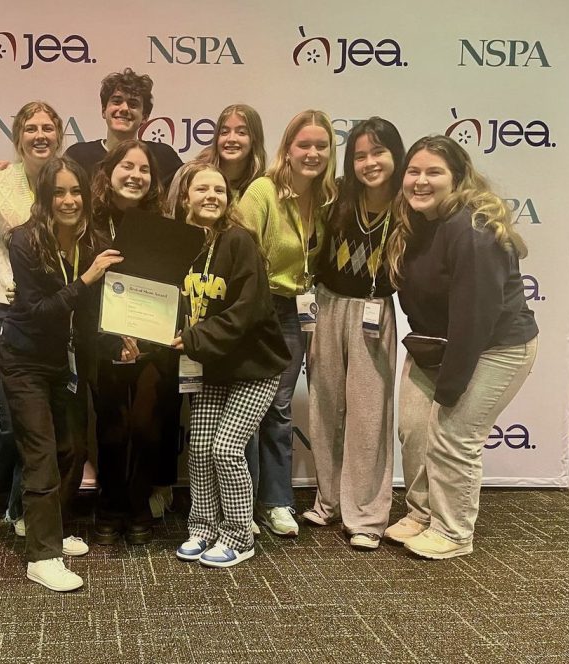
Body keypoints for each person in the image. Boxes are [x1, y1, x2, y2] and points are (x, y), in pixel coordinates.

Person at [383, 135, 538, 559]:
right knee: (414, 431)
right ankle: (421, 513)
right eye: (413, 171)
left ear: (457, 179)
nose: (420, 181)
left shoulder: (472, 229)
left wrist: (449, 388)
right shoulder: (416, 221)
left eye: (434, 172)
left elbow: (474, 319)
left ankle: (453, 532)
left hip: (493, 347)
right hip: (435, 345)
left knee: (453, 434)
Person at [0, 156, 122, 591]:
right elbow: (38, 313)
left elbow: (88, 317)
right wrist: (87, 279)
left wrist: (116, 342)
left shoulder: (95, 240)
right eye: (59, 192)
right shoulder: (24, 242)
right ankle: (42, 556)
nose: (69, 201)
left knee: (72, 449)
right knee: (41, 454)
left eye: (76, 192)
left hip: (65, 363)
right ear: (45, 197)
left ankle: (49, 526)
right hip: (24, 360)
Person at [173, 164, 289, 568]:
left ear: (229, 198)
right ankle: (203, 527)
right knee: (201, 448)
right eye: (201, 188)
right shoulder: (180, 243)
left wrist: (191, 339)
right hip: (210, 365)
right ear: (185, 195)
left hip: (254, 366)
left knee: (225, 449)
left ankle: (239, 535)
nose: (211, 195)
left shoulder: (239, 240)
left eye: (219, 189)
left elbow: (249, 310)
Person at [303, 118, 405, 550]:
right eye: (361, 155)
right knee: (325, 406)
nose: (370, 162)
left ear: (396, 156)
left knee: (368, 414)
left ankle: (366, 517)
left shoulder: (407, 206)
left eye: (378, 153)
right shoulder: (339, 195)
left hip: (374, 312)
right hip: (327, 304)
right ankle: (329, 501)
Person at [0, 101, 65, 536]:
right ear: (18, 137)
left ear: (59, 135)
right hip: (6, 305)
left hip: (54, 311)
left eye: (48, 127)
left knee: (36, 415)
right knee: (13, 415)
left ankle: (14, 504)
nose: (39, 134)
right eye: (30, 128)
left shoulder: (66, 182)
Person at [238, 109, 336, 538]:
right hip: (260, 309)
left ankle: (277, 502)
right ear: (287, 149)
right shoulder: (263, 190)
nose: (312, 153)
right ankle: (244, 502)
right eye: (304, 145)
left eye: (321, 146)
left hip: (301, 311)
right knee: (248, 408)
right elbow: (238, 250)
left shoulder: (330, 198)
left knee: (277, 408)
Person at [89, 139, 177, 545]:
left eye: (144, 170)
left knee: (145, 425)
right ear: (109, 172)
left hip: (152, 341)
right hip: (100, 339)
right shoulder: (89, 222)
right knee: (111, 426)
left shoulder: (163, 225)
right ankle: (110, 505)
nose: (136, 175)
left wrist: (148, 335)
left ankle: (138, 504)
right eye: (127, 166)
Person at [65, 68, 183, 189]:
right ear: (103, 110)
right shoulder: (78, 156)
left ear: (145, 117)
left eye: (133, 104)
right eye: (117, 101)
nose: (124, 109)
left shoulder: (162, 156)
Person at [167, 103, 267, 215]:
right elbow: (170, 219)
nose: (231, 139)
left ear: (255, 139)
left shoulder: (262, 186)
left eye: (241, 133)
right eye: (224, 132)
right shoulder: (189, 173)